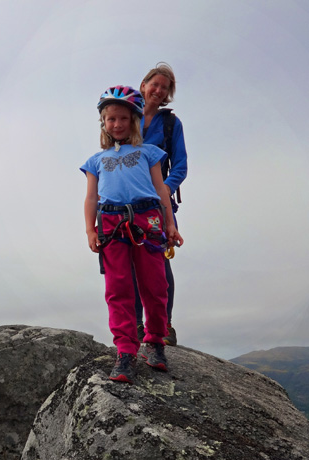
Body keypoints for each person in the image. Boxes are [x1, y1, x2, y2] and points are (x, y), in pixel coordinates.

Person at [81, 86, 184, 383]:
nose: (117, 124)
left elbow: (161, 190)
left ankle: (154, 342)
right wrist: (90, 229)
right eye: (111, 119)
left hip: (147, 219)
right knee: (118, 288)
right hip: (111, 223)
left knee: (155, 285)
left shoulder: (149, 153)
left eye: (123, 118)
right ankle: (126, 351)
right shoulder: (95, 161)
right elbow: (90, 199)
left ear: (134, 120)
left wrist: (170, 224)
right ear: (104, 122)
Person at [134, 63, 188, 346]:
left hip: (157, 205)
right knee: (128, 262)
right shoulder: (125, 115)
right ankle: (136, 327)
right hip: (124, 204)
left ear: (168, 94)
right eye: (154, 84)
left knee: (160, 263)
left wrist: (164, 190)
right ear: (143, 85)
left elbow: (180, 166)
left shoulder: (170, 124)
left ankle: (163, 324)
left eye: (164, 88)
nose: (158, 90)